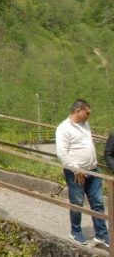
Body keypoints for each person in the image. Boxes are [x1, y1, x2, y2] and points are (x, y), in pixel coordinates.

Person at [56, 100, 109, 247]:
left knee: (97, 203)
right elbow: (61, 153)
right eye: (87, 113)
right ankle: (75, 231)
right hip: (76, 173)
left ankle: (102, 235)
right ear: (78, 111)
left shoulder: (85, 125)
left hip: (93, 170)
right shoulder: (63, 128)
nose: (89, 116)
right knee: (77, 203)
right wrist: (76, 169)